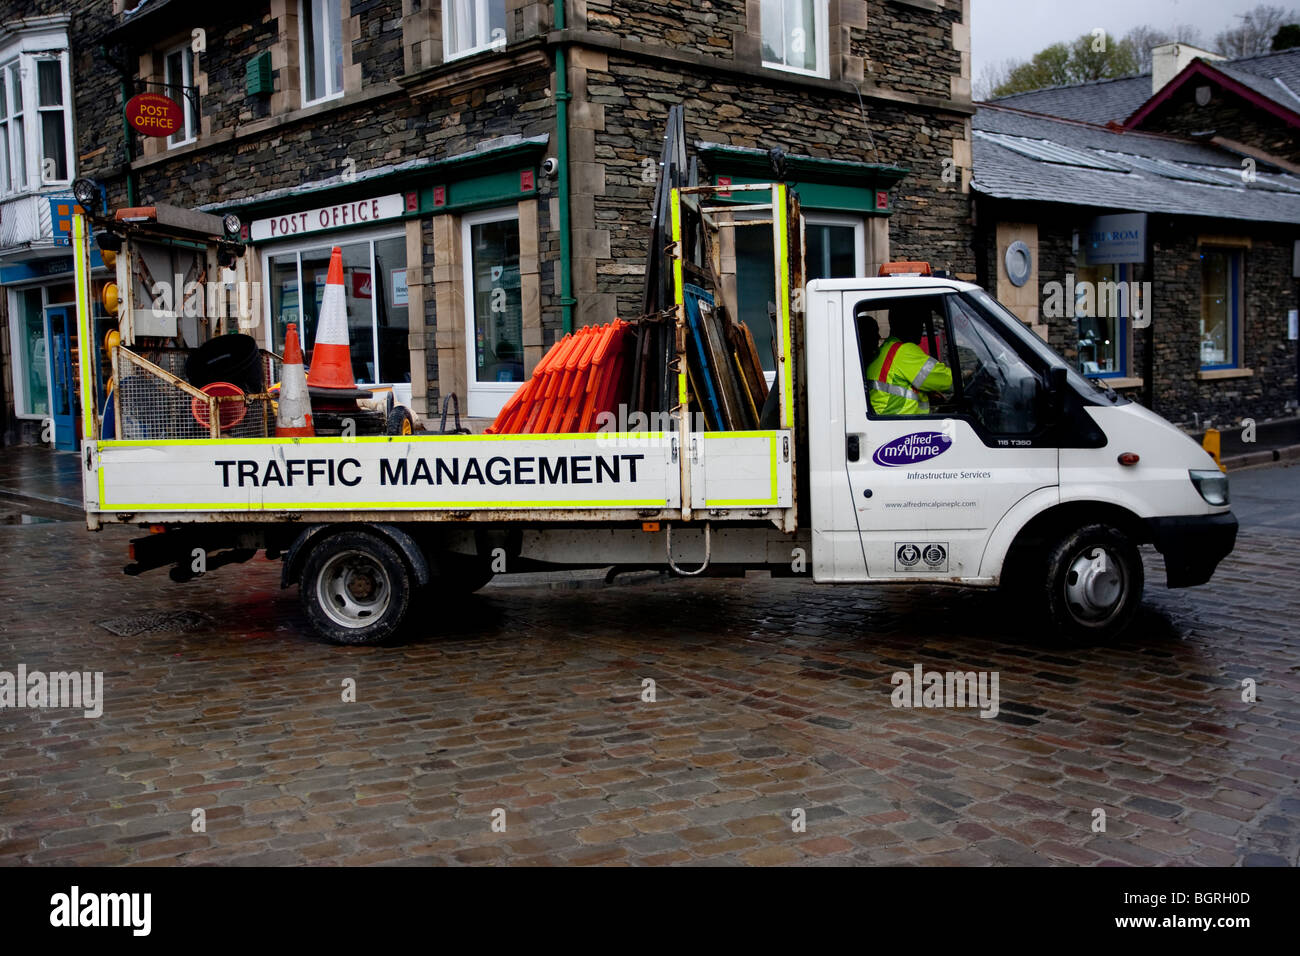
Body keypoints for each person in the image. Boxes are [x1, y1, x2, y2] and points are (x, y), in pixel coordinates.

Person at [865, 301, 953, 415]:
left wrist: (925, 393)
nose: (921, 327)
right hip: (897, 424)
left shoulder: (889, 347)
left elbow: (900, 386)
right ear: (908, 323)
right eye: (919, 321)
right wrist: (964, 378)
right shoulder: (905, 351)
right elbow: (946, 380)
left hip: (890, 420)